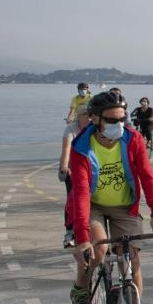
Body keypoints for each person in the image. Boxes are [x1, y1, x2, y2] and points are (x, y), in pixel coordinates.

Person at [68, 91, 153, 304]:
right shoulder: (81, 146)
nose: (119, 125)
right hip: (93, 206)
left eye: (122, 119)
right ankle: (81, 287)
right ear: (95, 119)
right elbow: (81, 193)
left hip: (125, 207)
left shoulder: (132, 139)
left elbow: (147, 176)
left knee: (130, 261)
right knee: (97, 250)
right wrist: (82, 238)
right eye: (112, 121)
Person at [59, 105, 92, 248]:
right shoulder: (71, 129)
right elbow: (66, 149)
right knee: (72, 201)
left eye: (91, 114)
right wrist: (64, 167)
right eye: (85, 114)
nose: (89, 117)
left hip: (91, 169)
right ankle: (69, 232)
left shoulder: (95, 128)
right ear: (78, 116)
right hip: (73, 168)